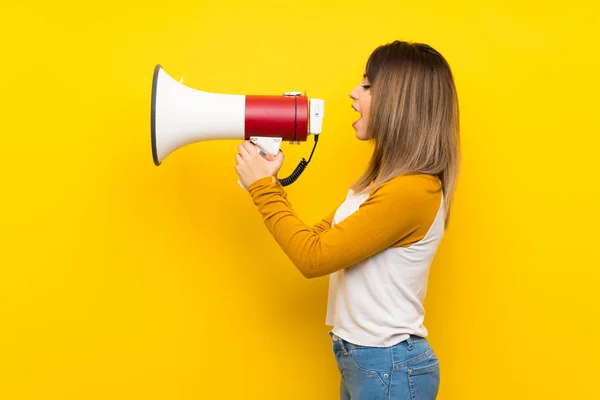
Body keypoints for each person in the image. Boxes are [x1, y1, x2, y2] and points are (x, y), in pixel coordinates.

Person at [234, 40, 460, 400]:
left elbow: (313, 259)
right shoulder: (377, 186)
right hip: (370, 363)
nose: (354, 93)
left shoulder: (413, 191)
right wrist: (271, 182)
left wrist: (263, 188)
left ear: (400, 101)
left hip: (388, 366)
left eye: (367, 85)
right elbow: (312, 241)